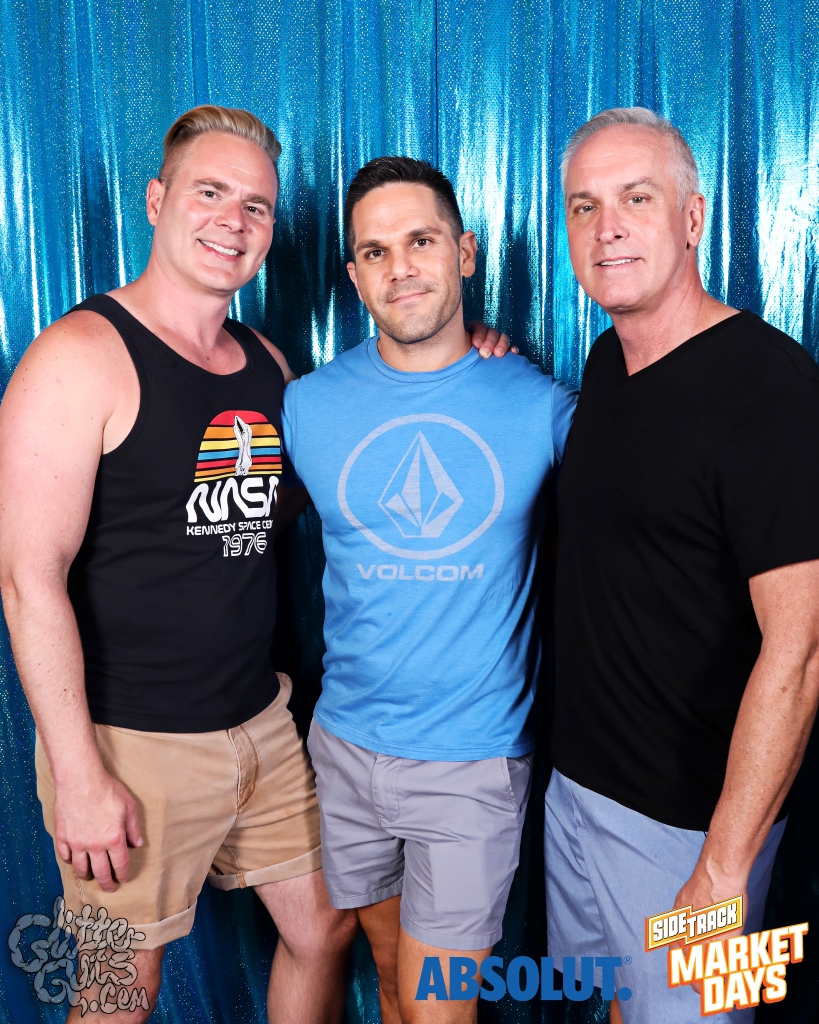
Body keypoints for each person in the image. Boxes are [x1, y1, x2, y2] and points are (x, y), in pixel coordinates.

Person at [280, 155, 576, 1024]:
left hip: (470, 762)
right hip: (343, 746)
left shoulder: (540, 406)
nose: (400, 267)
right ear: (353, 276)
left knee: (437, 1005)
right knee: (385, 970)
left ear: (465, 253)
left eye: (421, 241)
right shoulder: (306, 406)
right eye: (375, 252)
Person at [548, 106, 819, 1023]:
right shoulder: (607, 362)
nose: (606, 228)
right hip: (577, 793)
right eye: (583, 206)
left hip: (690, 829)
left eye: (635, 198)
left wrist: (724, 868)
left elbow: (801, 652)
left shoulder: (773, 391)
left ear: (692, 217)